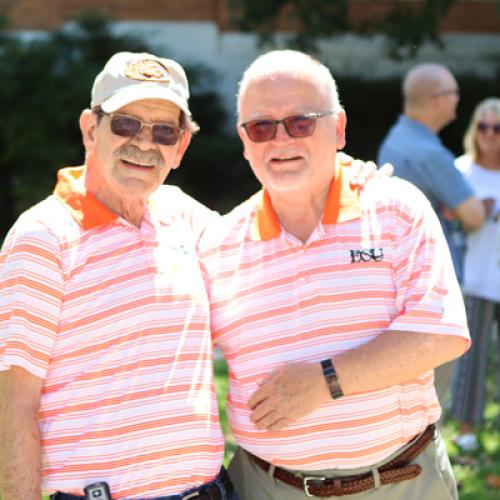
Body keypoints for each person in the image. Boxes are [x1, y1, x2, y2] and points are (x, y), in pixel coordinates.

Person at [198, 50, 471, 500]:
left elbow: (439, 334)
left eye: (301, 122)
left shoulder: (396, 209)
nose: (280, 140)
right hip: (267, 487)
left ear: (338, 128)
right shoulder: (216, 244)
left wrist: (324, 381)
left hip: (401, 483)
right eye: (261, 126)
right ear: (243, 139)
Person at [0, 51, 236, 500]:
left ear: (181, 147)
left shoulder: (183, 214)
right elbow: (15, 404)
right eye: (126, 124)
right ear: (91, 129)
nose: (144, 144)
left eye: (164, 131)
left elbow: (271, 251)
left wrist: (343, 177)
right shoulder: (42, 236)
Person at [377, 63, 486, 407]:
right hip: (433, 293)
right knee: (430, 400)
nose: (458, 101)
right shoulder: (431, 154)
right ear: (439, 100)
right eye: (454, 93)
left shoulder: (394, 140)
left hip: (395, 285)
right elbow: (475, 216)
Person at [451, 97, 500, 453]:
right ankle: (466, 429)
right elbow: (443, 219)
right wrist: (468, 214)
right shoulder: (460, 170)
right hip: (475, 277)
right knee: (472, 355)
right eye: (483, 126)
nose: (489, 134)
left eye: (497, 128)